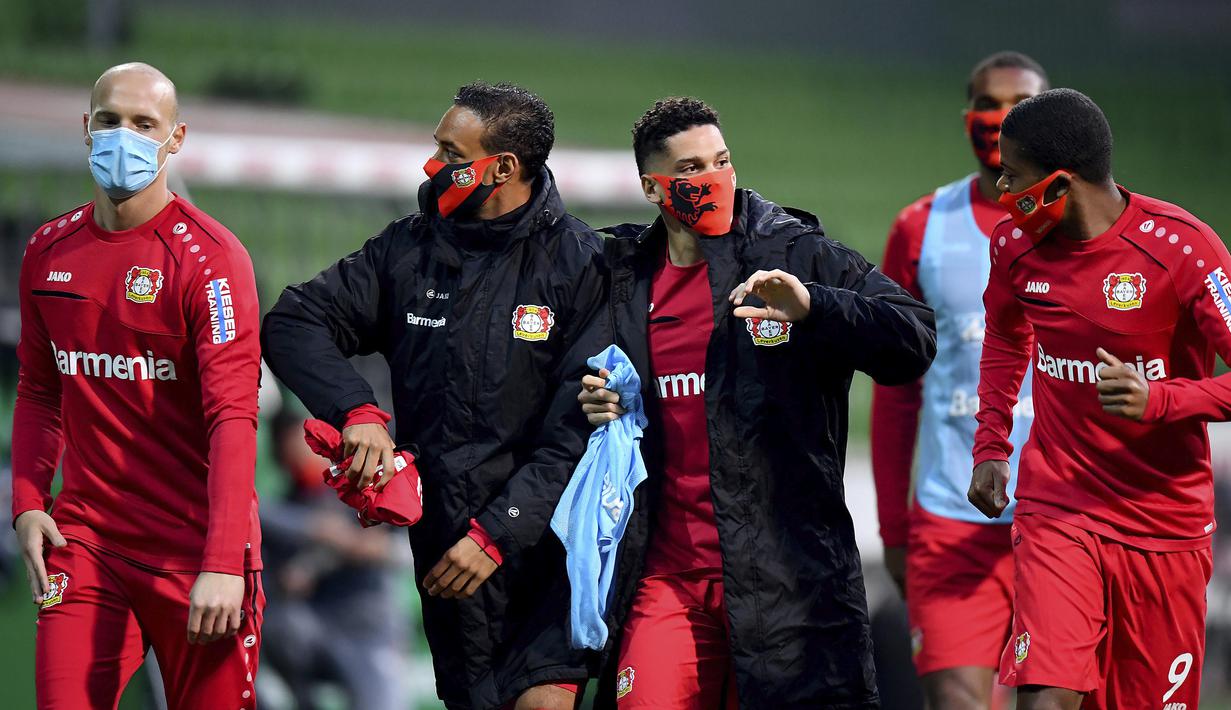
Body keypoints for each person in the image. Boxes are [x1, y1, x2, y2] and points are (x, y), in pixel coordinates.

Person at [578, 97, 936, 708]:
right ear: (652, 187)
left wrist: (816, 309)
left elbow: (914, 338)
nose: (712, 178)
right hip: (668, 577)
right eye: (691, 170)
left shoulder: (793, 252)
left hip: (785, 579)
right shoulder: (624, 276)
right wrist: (590, 400)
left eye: (722, 161)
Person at [261, 81, 607, 710]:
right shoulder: (407, 249)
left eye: (450, 153)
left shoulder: (582, 265)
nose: (433, 166)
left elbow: (580, 430)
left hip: (542, 556)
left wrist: (499, 534)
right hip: (443, 555)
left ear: (502, 167)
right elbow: (294, 321)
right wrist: (356, 411)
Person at [11, 63, 264, 709]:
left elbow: (233, 417)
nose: (122, 136)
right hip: (87, 542)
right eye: (109, 120)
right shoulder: (46, 252)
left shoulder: (211, 260)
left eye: (143, 124)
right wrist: (28, 499)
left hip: (195, 551)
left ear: (174, 138)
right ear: (85, 129)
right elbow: (41, 390)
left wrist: (221, 562)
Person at [969, 88, 1231, 710]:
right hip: (1058, 508)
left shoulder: (1184, 252)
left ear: (1060, 185)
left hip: (1163, 529)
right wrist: (990, 445)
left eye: (1014, 175)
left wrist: (1163, 401)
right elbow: (1007, 337)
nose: (1002, 188)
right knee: (1046, 695)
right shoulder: (1013, 246)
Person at [870, 51, 1047, 708]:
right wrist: (893, 529)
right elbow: (895, 391)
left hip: (1060, 523)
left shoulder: (1086, 228)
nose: (1000, 119)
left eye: (1019, 104)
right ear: (966, 116)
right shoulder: (921, 228)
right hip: (950, 522)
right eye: (987, 103)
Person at [258, 407, 413, 710]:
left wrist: (350, 546)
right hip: (313, 627)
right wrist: (314, 539)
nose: (297, 453)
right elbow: (262, 527)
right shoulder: (290, 502)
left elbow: (402, 552)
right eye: (287, 445)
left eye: (304, 442)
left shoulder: (363, 484)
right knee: (277, 625)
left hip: (367, 628)